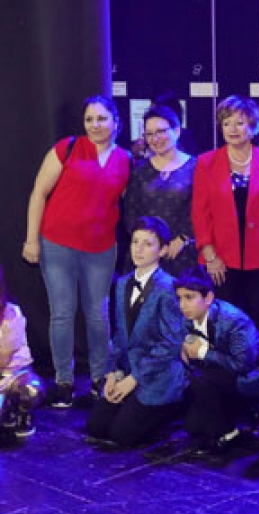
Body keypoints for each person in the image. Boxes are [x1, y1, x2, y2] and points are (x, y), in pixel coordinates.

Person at [22, 95, 131, 407]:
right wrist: (31, 240)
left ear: (116, 122)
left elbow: (124, 203)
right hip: (57, 245)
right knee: (62, 313)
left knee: (98, 315)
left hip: (101, 249)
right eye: (89, 119)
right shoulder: (67, 148)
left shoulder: (125, 159)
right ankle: (64, 382)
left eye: (101, 118)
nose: (95, 125)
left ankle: (100, 377)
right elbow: (39, 193)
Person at [86, 217, 185, 448]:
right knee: (96, 427)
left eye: (148, 244)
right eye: (135, 242)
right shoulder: (123, 283)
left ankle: (169, 413)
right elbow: (120, 336)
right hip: (130, 371)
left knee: (122, 435)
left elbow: (170, 345)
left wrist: (135, 378)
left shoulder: (169, 288)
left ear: (163, 250)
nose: (138, 249)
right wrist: (114, 373)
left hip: (157, 376)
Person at [192, 95, 259, 341]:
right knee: (225, 321)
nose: (232, 129)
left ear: (253, 127)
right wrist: (210, 256)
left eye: (239, 123)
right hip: (221, 258)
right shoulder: (206, 162)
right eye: (226, 123)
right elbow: (200, 212)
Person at [176, 266, 259, 455]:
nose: (182, 305)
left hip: (252, 374)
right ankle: (225, 417)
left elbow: (243, 365)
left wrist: (203, 352)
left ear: (208, 298)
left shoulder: (234, 320)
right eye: (179, 298)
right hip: (215, 372)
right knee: (193, 427)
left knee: (200, 381)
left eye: (189, 298)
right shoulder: (187, 318)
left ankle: (229, 431)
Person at [124, 105, 198, 278]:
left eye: (161, 131)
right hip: (147, 252)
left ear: (177, 131)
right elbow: (131, 212)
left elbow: (203, 210)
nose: (155, 139)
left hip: (183, 252)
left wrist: (183, 238)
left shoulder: (196, 167)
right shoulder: (139, 170)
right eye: (149, 134)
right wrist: (148, 242)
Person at [0, 265, 45, 438]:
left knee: (29, 390)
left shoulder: (12, 314)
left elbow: (3, 360)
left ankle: (20, 411)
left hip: (13, 375)